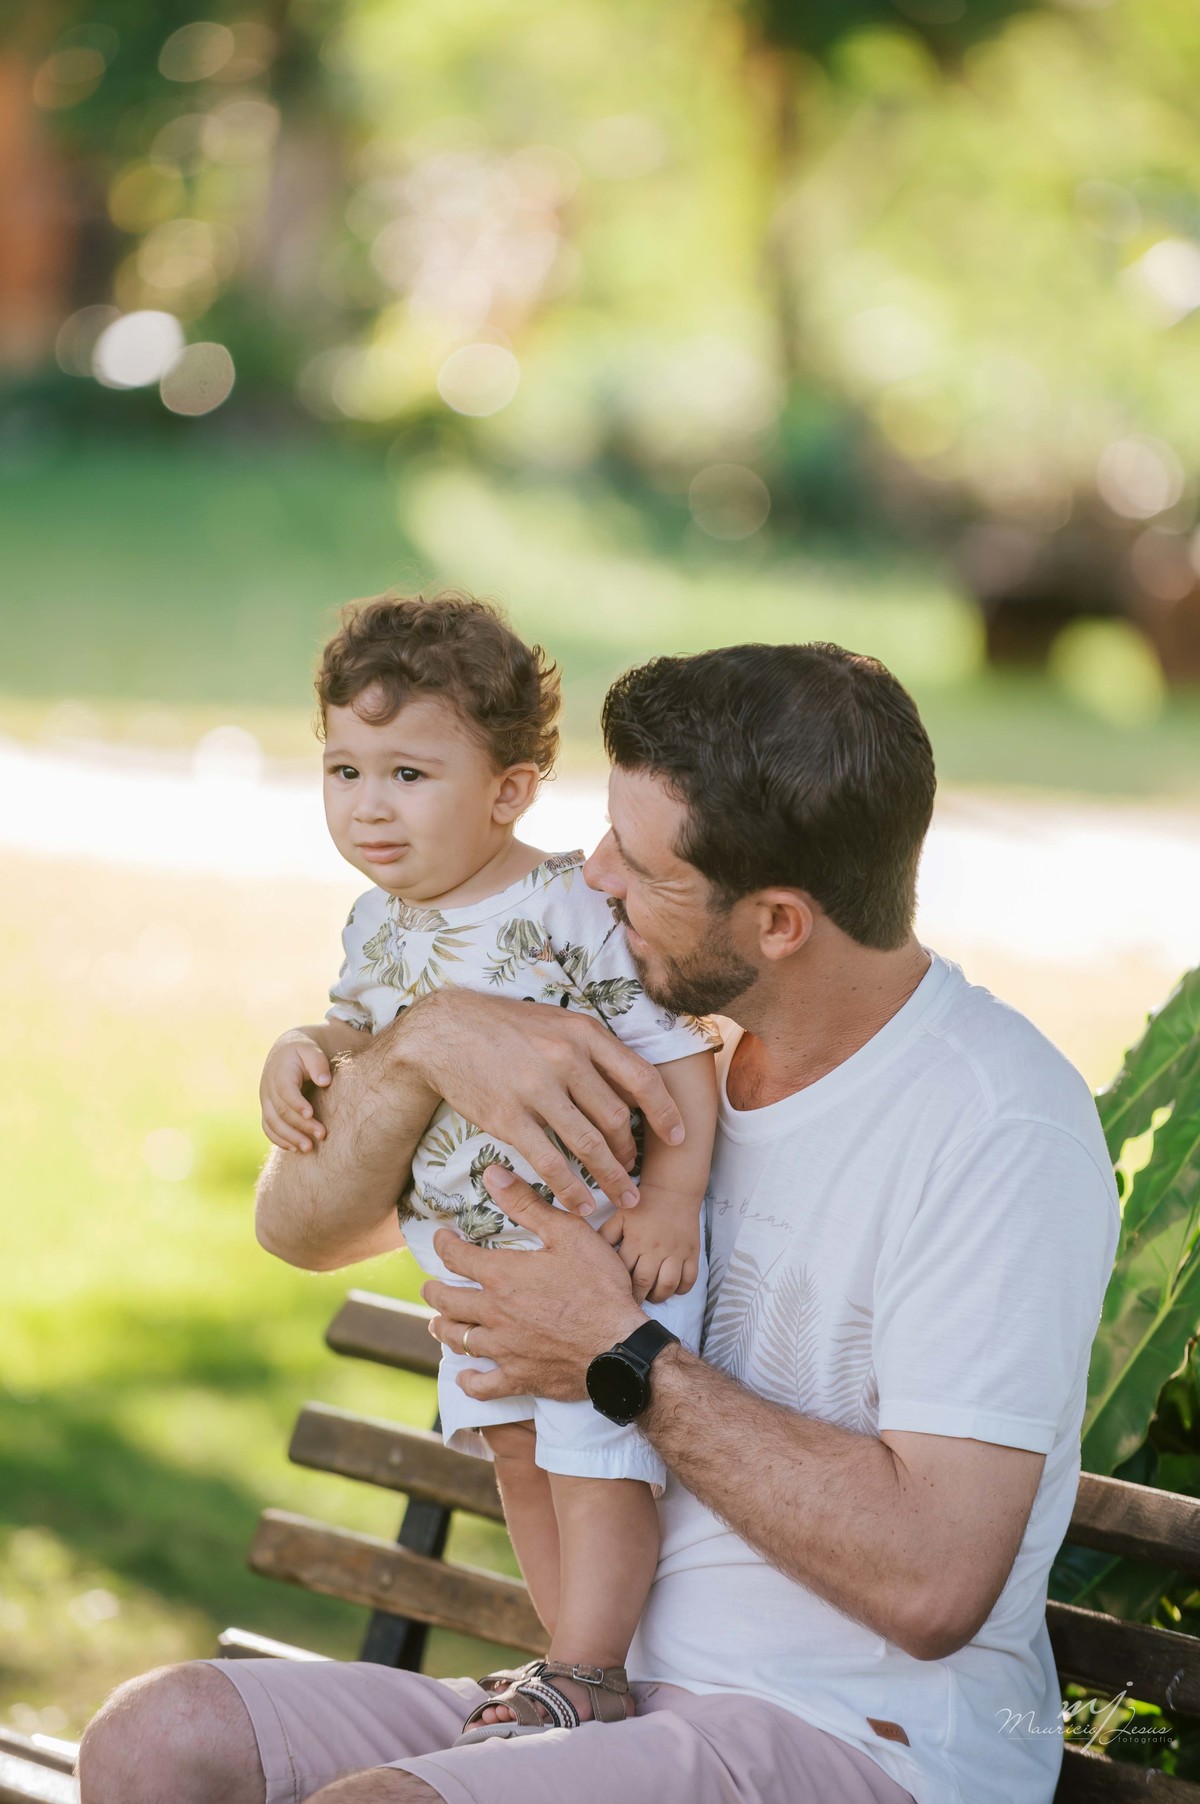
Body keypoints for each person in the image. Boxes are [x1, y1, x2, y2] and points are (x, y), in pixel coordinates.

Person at [79, 640, 1120, 1804]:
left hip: (859, 1741)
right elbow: (303, 1227)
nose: (596, 872)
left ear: (778, 922)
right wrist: (425, 1043)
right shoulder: (638, 1025)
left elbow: (933, 1584)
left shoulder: (995, 1125)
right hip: (606, 1698)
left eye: (643, 861)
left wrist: (617, 1354)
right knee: (155, 1740)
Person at [258, 591, 719, 1737]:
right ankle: (571, 1670)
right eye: (344, 769)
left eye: (409, 774)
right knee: (516, 1458)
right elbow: (363, 1034)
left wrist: (673, 1203)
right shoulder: (378, 919)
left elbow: (677, 1052)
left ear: (509, 790)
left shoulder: (566, 906)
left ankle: (592, 1668)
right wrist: (304, 1047)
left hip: (591, 1254)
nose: (368, 804)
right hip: (472, 1275)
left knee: (594, 1458)